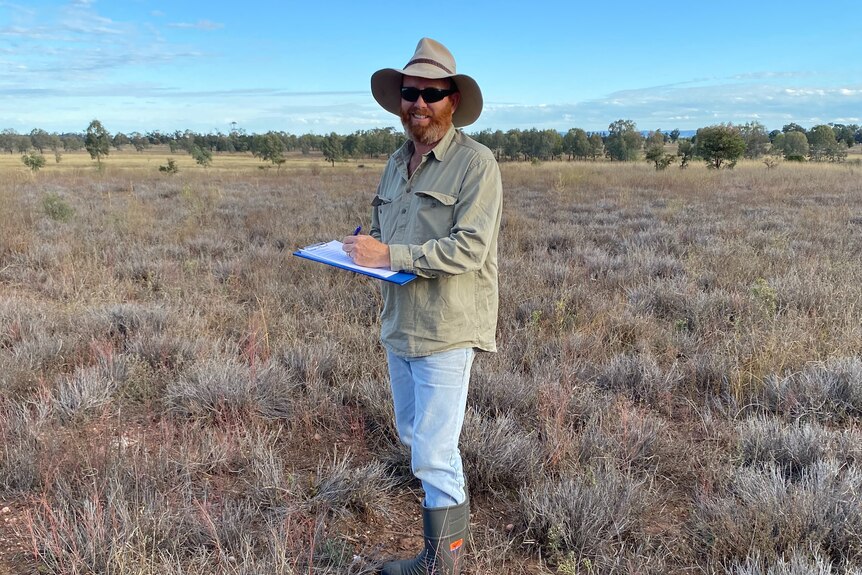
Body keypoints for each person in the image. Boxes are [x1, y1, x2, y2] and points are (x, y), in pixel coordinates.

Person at [341, 37, 502, 575]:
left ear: (452, 100)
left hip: (446, 328)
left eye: (432, 94)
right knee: (414, 438)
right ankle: (440, 553)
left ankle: (441, 566)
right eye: (410, 92)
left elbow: (470, 247)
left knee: (435, 453)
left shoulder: (475, 165)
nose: (419, 103)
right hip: (400, 324)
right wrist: (362, 250)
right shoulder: (394, 163)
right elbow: (384, 234)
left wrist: (389, 251)